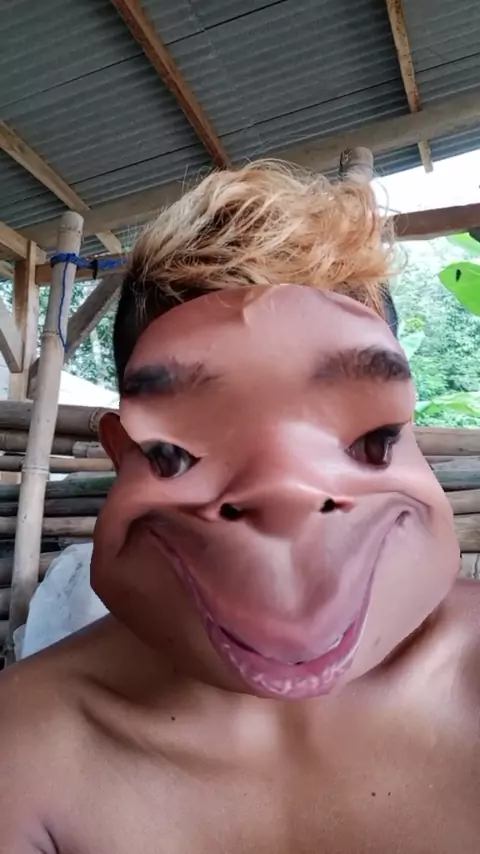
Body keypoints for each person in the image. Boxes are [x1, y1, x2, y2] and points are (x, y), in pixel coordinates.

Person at [0, 160, 477, 854]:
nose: (285, 499)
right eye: (179, 452)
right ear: (123, 453)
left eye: (369, 440)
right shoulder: (25, 748)